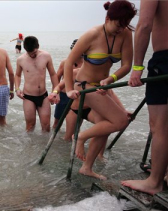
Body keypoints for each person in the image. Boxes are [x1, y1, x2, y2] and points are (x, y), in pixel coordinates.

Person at [64, 0, 137, 180]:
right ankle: (80, 137)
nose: (121, 29)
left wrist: (111, 79)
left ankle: (87, 167)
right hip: (84, 86)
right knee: (121, 121)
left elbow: (127, 65)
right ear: (107, 17)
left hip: (104, 86)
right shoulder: (92, 34)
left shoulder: (126, 34)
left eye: (125, 25)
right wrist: (67, 90)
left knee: (106, 124)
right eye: (118, 24)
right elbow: (67, 63)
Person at [121, 0, 168, 195]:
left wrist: (137, 68)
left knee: (160, 126)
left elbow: (145, 24)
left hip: (165, 58)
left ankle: (154, 181)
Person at [14, 36, 59, 132]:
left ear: (38, 46)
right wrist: (17, 89)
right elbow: (17, 75)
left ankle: (44, 146)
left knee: (46, 126)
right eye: (30, 54)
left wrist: (55, 92)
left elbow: (53, 74)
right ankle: (30, 146)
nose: (32, 55)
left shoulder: (46, 56)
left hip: (43, 96)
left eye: (34, 53)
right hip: (28, 97)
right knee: (30, 126)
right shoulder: (21, 59)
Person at [52, 39, 83, 132]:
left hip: (78, 97)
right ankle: (55, 140)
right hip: (63, 95)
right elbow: (57, 77)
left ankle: (71, 141)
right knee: (57, 122)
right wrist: (55, 93)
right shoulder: (65, 62)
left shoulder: (86, 64)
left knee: (76, 125)